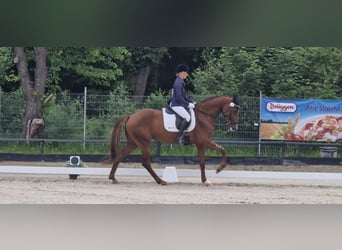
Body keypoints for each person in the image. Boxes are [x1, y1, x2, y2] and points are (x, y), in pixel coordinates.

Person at [169, 64, 196, 144]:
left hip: (179, 103)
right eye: (186, 73)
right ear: (182, 73)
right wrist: (187, 104)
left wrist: (191, 101)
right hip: (176, 105)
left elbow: (184, 96)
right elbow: (179, 98)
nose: (187, 75)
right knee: (187, 117)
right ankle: (179, 137)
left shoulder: (181, 81)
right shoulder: (178, 83)